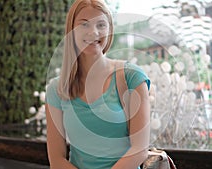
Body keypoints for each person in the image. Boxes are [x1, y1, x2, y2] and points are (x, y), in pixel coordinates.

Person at [45, 0, 151, 168]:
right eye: (84, 25)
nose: (93, 32)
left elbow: (140, 149)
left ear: (109, 30)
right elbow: (57, 159)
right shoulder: (56, 89)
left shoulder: (132, 77)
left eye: (101, 25)